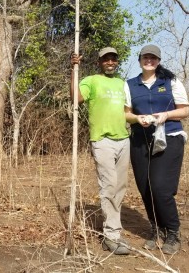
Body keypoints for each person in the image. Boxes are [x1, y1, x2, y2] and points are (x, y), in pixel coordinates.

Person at [124, 44, 189, 254]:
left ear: (158, 60)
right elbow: (126, 114)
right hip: (140, 140)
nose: (149, 60)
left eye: (153, 58)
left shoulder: (170, 81)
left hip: (169, 137)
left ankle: (172, 231)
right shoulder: (130, 85)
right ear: (140, 59)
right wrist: (137, 118)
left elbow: (185, 110)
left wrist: (166, 115)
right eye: (145, 57)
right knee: (145, 188)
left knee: (160, 187)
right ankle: (156, 229)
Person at [71, 47, 130, 255]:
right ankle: (111, 236)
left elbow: (130, 110)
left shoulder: (123, 83)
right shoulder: (91, 80)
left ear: (117, 61)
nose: (110, 62)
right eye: (106, 59)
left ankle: (113, 228)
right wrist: (74, 69)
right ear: (100, 62)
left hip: (124, 139)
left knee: (121, 187)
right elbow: (76, 98)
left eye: (114, 58)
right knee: (109, 185)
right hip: (102, 140)